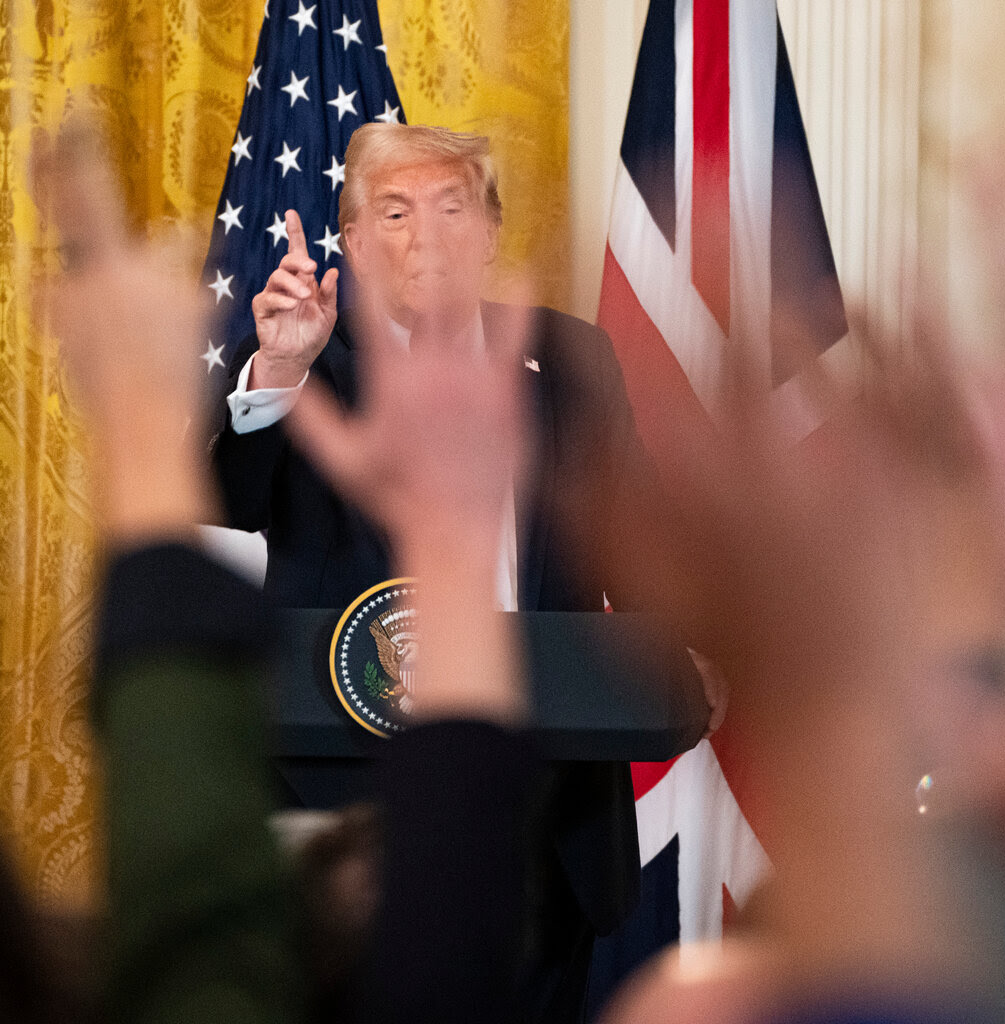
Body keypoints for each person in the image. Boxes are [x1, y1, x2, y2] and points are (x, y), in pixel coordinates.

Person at [209, 122, 675, 1022]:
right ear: (349, 240)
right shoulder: (298, 360)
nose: (426, 234)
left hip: (549, 813)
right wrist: (279, 372)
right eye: (394, 210)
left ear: (492, 232)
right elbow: (226, 499)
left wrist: (688, 649)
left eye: (453, 207)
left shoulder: (573, 358)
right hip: (350, 817)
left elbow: (634, 535)